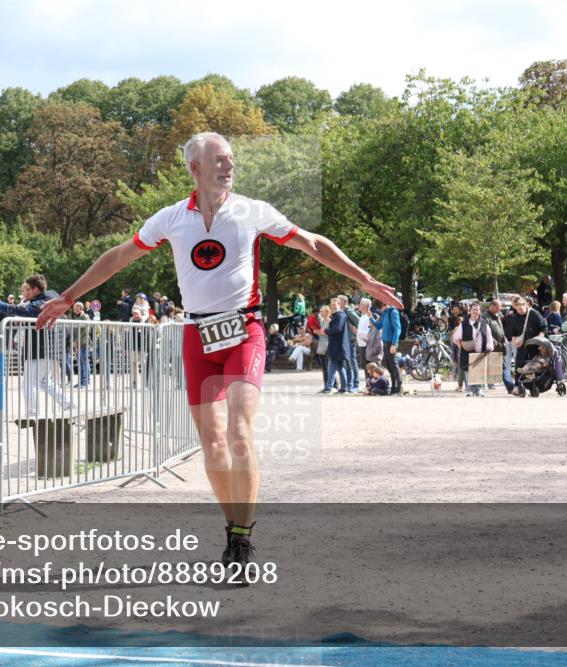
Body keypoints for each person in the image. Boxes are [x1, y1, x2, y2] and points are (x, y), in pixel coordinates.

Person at [35, 131, 401, 566]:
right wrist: (69, 296)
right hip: (198, 336)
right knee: (212, 443)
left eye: (231, 159)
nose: (229, 166)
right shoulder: (172, 218)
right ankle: (234, 529)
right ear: (196, 169)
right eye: (220, 160)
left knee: (240, 434)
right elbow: (118, 256)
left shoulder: (251, 211)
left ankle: (243, 540)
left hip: (244, 331)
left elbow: (313, 243)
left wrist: (362, 279)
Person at [0, 275, 68, 416]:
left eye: (29, 289)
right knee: (45, 382)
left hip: (39, 349)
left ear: (36, 289)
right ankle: (69, 405)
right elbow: (31, 314)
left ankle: (33, 415)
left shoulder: (42, 302)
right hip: (48, 348)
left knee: (28, 384)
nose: (27, 292)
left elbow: (26, 311)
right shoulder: (52, 295)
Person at [505, 296, 547, 394]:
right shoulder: (515, 317)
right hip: (522, 347)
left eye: (521, 309)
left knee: (533, 367)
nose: (519, 311)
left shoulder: (535, 314)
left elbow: (543, 328)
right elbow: (513, 333)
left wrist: (539, 340)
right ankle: (517, 386)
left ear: (525, 305)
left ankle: (533, 387)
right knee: (519, 365)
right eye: (517, 309)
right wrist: (515, 341)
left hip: (534, 346)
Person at [451, 301, 495, 396]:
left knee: (479, 370)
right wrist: (461, 348)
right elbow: (456, 337)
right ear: (470, 311)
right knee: (468, 370)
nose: (476, 311)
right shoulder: (464, 324)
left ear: (480, 311)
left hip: (480, 351)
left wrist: (489, 347)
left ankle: (479, 389)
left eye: (477, 310)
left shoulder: (484, 323)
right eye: (474, 310)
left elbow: (489, 336)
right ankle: (470, 389)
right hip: (467, 352)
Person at [376, 299, 403, 396]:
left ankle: (399, 388)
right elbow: (379, 326)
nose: (381, 310)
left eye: (381, 308)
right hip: (386, 342)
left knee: (394, 365)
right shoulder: (385, 313)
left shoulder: (393, 312)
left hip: (391, 342)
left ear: (385, 304)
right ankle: (394, 387)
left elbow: (397, 329)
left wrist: (394, 344)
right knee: (388, 364)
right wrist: (371, 318)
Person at [324, 298, 350, 394]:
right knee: (340, 367)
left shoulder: (340, 315)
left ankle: (328, 388)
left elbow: (337, 329)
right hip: (336, 345)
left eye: (335, 304)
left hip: (338, 346)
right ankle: (344, 388)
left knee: (331, 367)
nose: (333, 306)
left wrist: (326, 331)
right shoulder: (337, 315)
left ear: (339, 305)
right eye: (332, 304)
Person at [338, 294, 360, 393]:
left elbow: (359, 322)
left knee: (352, 363)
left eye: (339, 301)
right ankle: (348, 385)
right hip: (343, 342)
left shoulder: (348, 311)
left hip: (350, 341)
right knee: (347, 363)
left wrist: (356, 333)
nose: (337, 303)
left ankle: (355, 385)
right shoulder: (340, 312)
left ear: (344, 302)